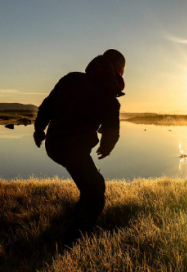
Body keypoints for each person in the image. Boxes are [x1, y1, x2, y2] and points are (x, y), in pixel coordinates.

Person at [33, 49, 126, 246]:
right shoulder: (109, 98)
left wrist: (39, 129)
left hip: (54, 145)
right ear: (117, 71)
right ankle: (72, 242)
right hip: (74, 150)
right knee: (96, 192)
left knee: (91, 182)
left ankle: (75, 216)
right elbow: (112, 131)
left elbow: (47, 106)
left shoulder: (71, 79)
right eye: (123, 70)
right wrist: (107, 146)